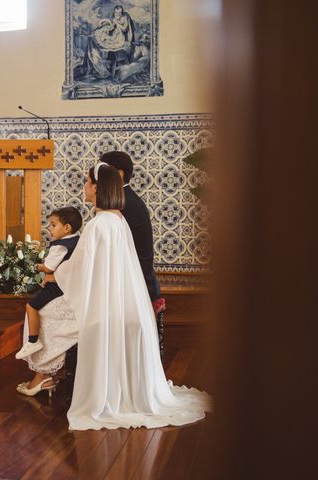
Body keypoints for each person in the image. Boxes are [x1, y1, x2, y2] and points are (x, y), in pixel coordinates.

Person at [48, 162, 210, 430]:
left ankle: (43, 377)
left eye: (87, 182)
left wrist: (56, 272)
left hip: (108, 307)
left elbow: (81, 270)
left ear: (98, 187)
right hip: (128, 304)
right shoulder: (118, 220)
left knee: (49, 312)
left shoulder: (98, 224)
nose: (84, 187)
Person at [100, 151, 165, 318]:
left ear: (119, 174)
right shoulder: (123, 199)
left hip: (138, 285)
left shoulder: (126, 203)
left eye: (103, 172)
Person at [15, 207, 82, 364]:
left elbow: (49, 268)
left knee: (31, 306)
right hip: (70, 284)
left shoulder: (59, 246)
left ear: (67, 228)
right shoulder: (77, 240)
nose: (49, 228)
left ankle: (33, 341)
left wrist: (37, 266)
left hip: (57, 286)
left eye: (53, 225)